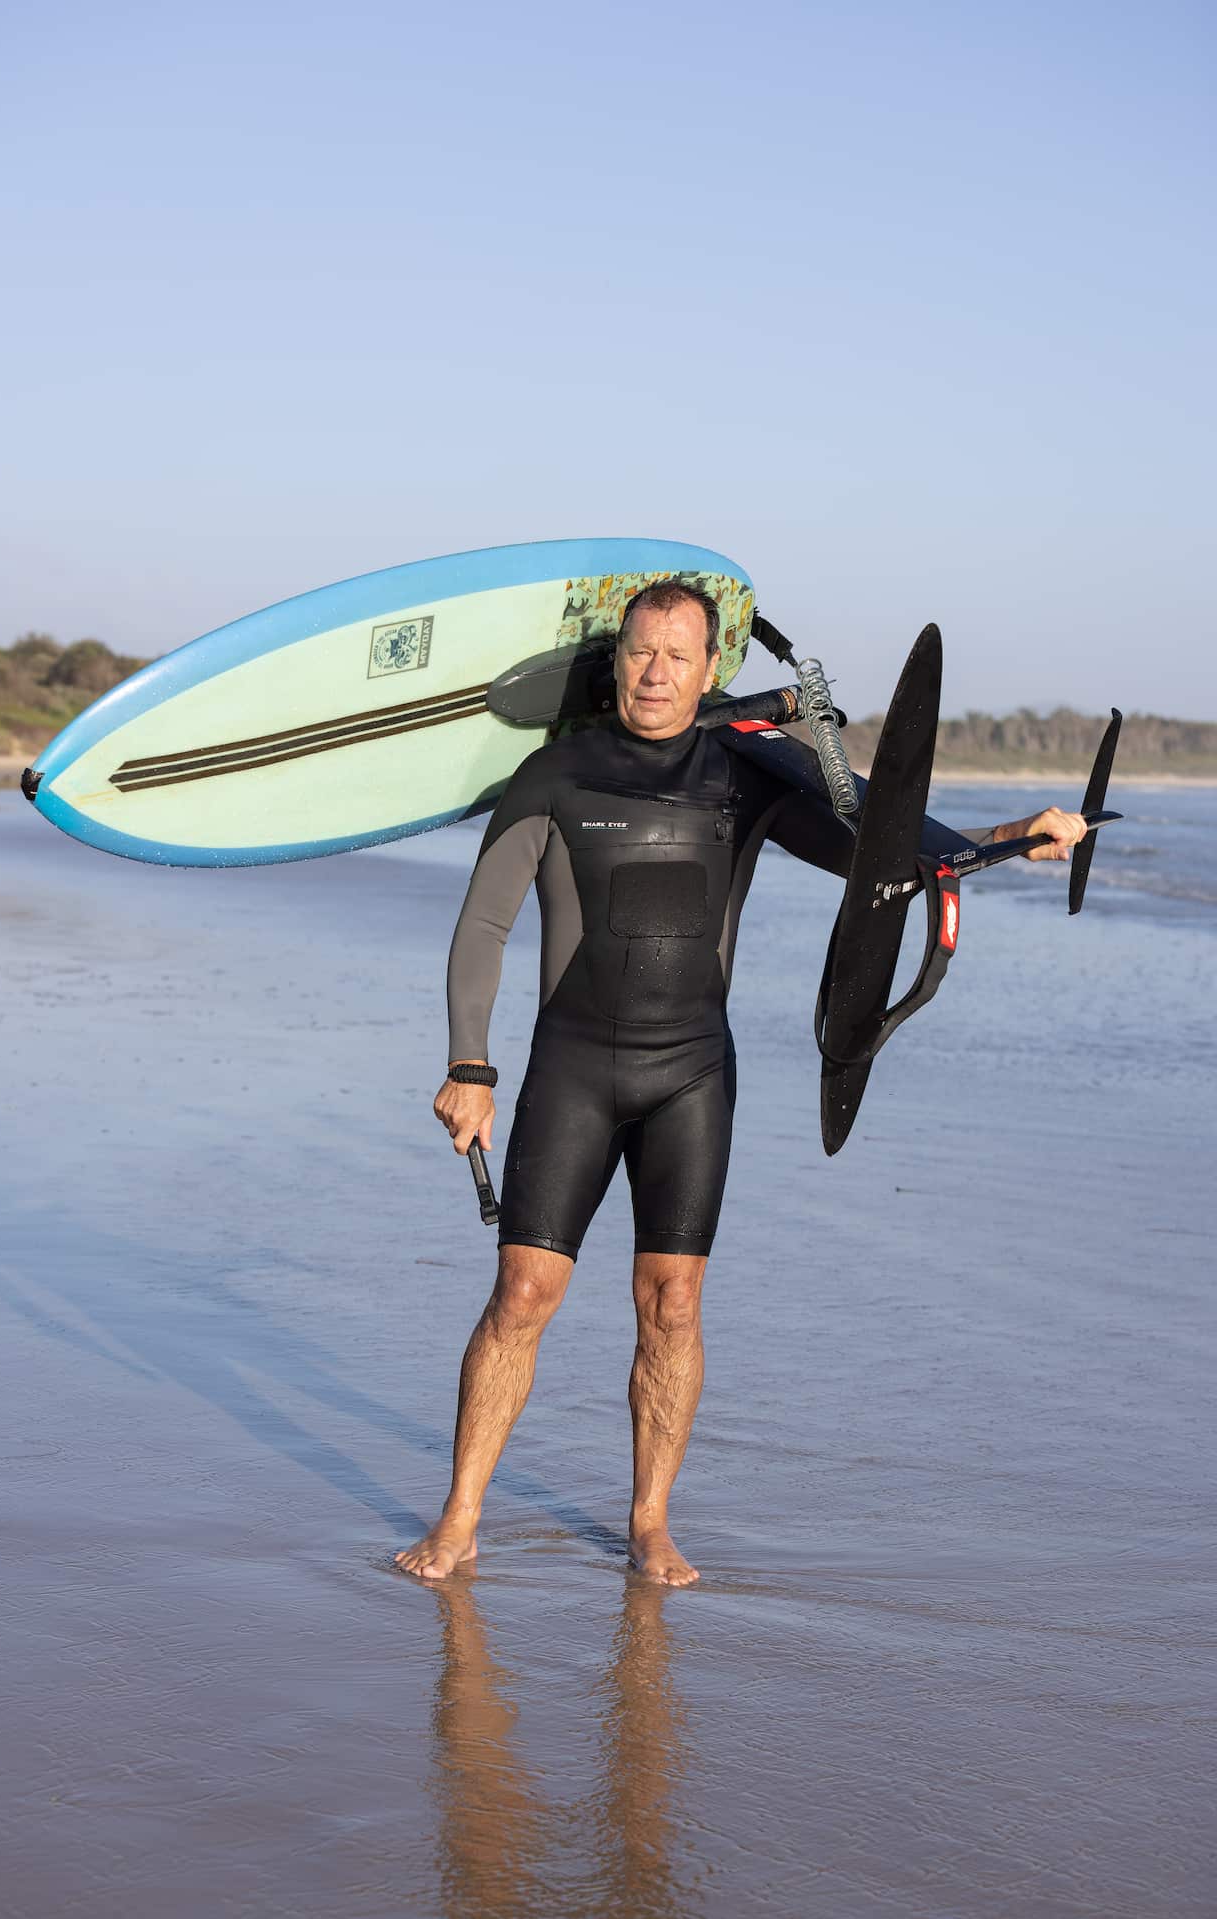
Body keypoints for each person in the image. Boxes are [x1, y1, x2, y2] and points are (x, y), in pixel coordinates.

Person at [396, 581, 1086, 1585]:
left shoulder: (745, 777)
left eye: (677, 655)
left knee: (670, 1302)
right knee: (521, 1292)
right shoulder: (555, 773)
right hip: (573, 1064)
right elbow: (484, 925)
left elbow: (878, 857)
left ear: (709, 667)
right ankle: (458, 1519)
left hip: (689, 1074)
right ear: (615, 660)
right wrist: (468, 1063)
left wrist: (1013, 834)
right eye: (638, 651)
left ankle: (647, 1522)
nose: (655, 671)